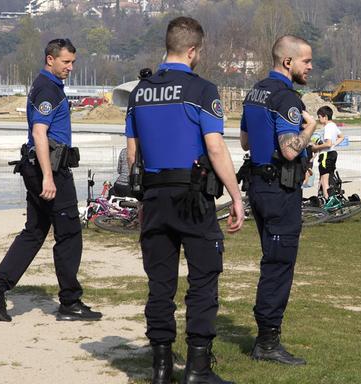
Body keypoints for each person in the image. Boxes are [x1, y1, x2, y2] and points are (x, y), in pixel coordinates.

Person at [125, 17, 244, 384]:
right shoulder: (202, 89)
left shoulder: (138, 92)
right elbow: (215, 146)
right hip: (192, 197)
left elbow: (133, 155)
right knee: (203, 280)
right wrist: (237, 196)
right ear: (192, 50)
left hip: (154, 195)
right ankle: (197, 368)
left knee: (160, 283)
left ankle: (160, 368)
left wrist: (145, 195)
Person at [0, 38, 103, 323]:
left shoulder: (46, 85)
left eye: (73, 62)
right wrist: (49, 176)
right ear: (50, 59)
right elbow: (39, 134)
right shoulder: (48, 89)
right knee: (69, 234)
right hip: (50, 170)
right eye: (65, 62)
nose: (70, 67)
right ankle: (70, 302)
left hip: (36, 167)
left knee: (34, 232)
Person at [240, 34, 315, 366]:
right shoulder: (286, 98)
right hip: (279, 191)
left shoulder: (255, 92)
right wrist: (309, 129)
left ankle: (266, 336)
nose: (310, 67)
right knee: (278, 264)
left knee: (272, 258)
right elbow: (288, 149)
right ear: (288, 62)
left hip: (258, 185)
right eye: (306, 61)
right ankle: (267, 341)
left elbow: (244, 140)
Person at [312, 106, 343, 198]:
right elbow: (341, 136)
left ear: (324, 117)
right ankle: (322, 197)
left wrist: (316, 147)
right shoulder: (333, 125)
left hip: (326, 155)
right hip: (332, 153)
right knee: (325, 178)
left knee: (325, 181)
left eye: (319, 117)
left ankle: (327, 202)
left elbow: (328, 144)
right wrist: (334, 144)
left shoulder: (327, 127)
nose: (319, 119)